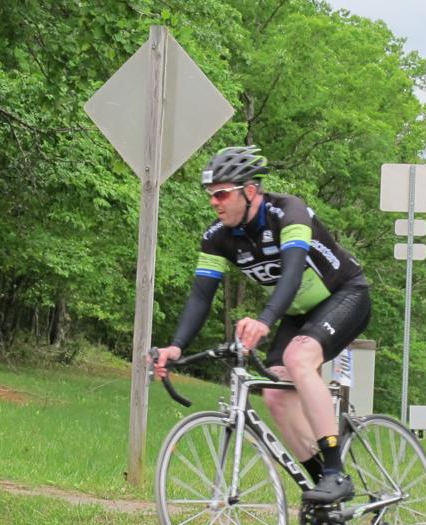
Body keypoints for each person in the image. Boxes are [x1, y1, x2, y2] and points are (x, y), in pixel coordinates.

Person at [152, 146, 371, 505]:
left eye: (222, 194)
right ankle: (322, 489)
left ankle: (336, 472)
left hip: (346, 294)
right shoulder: (217, 237)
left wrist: (266, 320)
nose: (214, 203)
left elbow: (293, 271)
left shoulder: (289, 212)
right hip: (300, 313)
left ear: (249, 191)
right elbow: (200, 296)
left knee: (299, 359)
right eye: (210, 196)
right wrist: (176, 345)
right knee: (275, 393)